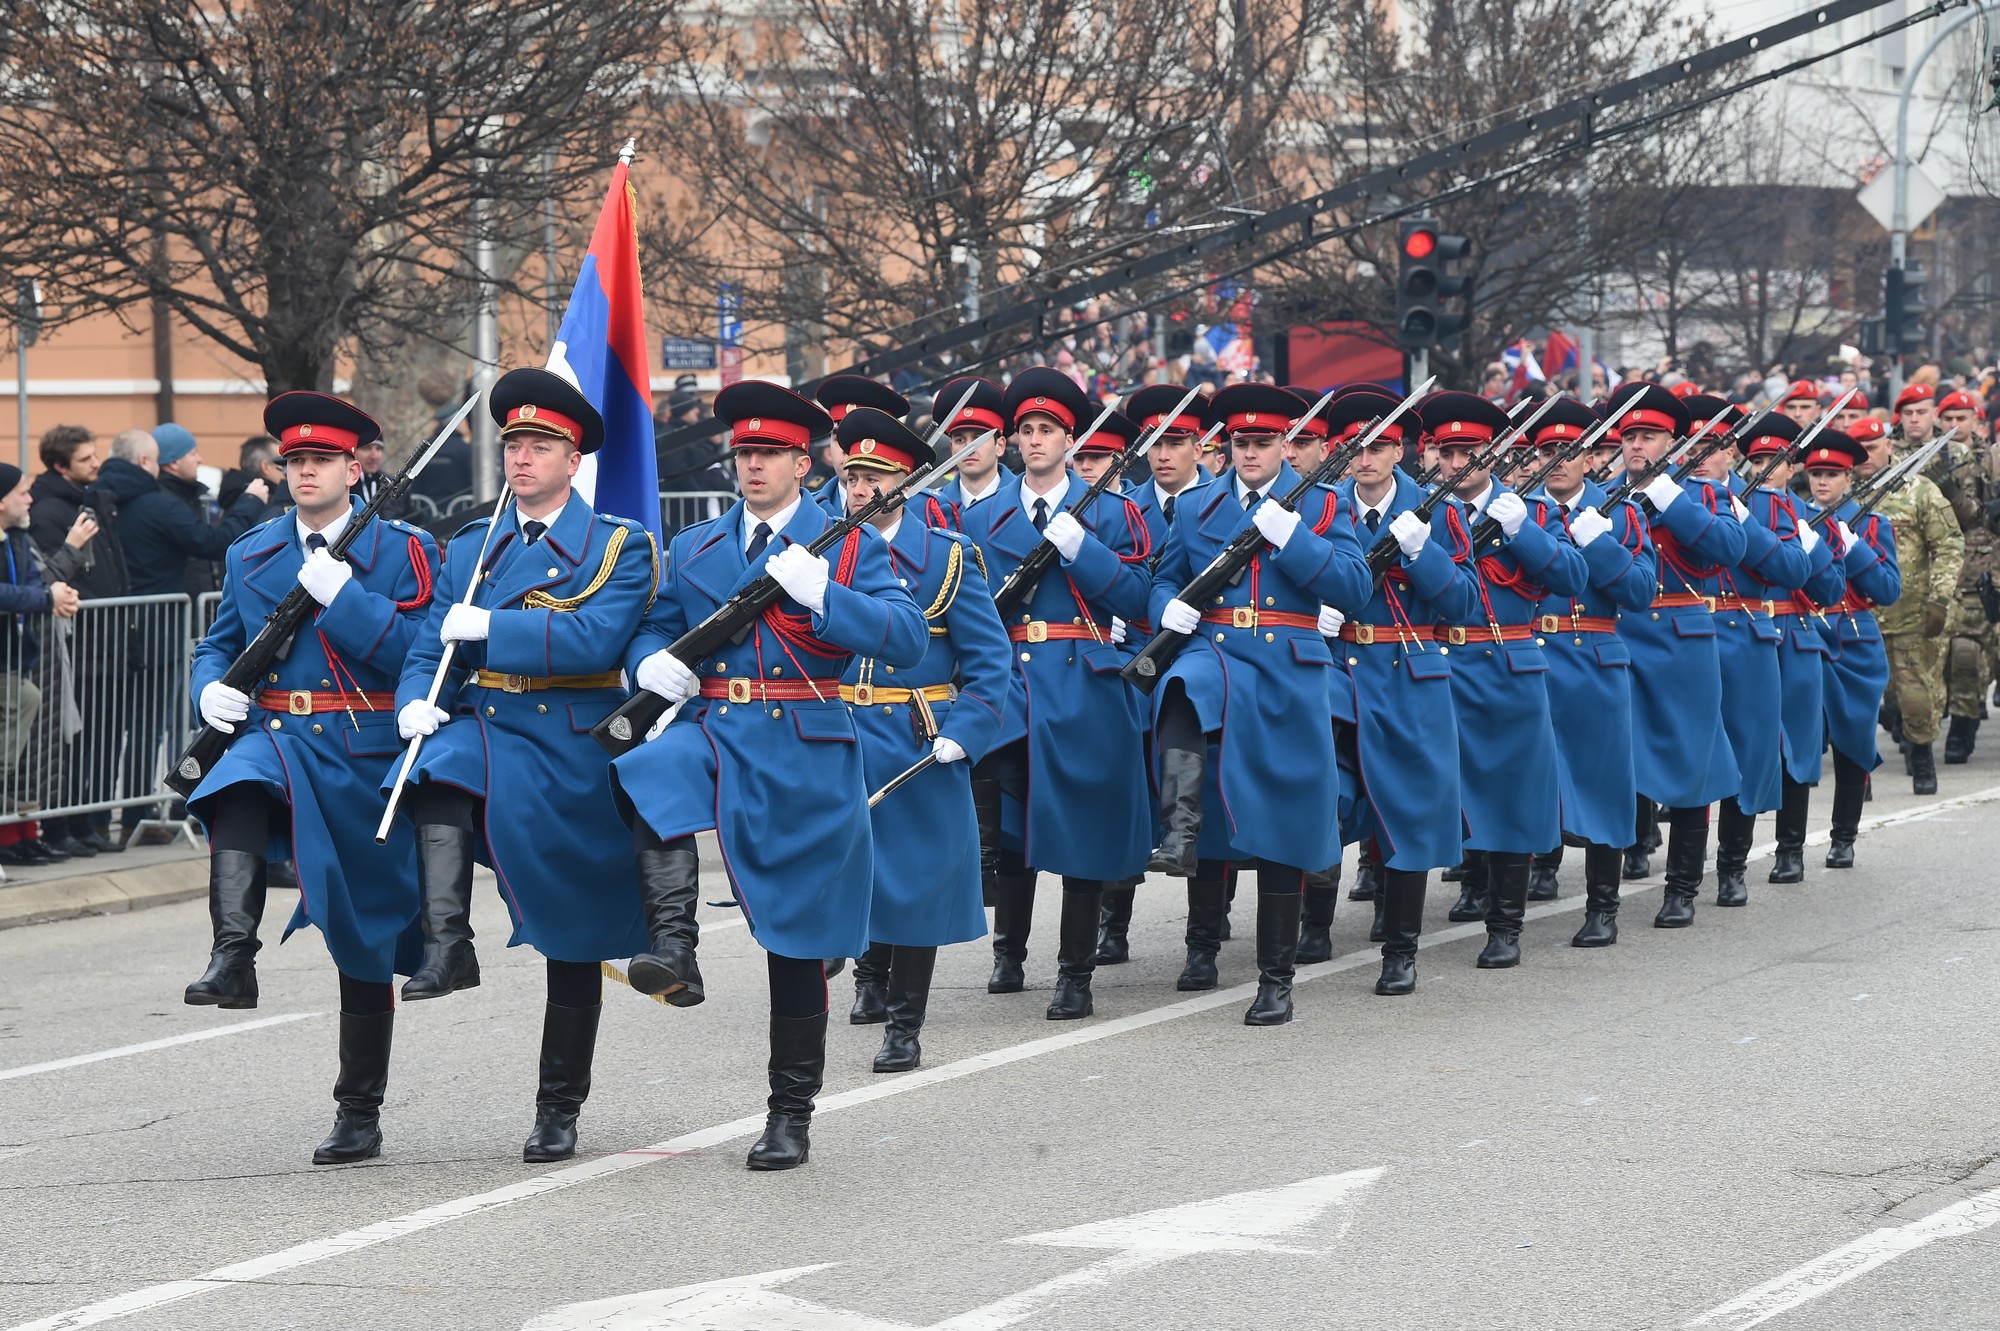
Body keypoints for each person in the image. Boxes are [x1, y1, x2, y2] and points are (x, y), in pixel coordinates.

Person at [609, 381, 925, 1169]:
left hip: (807, 743)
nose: (751, 466)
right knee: (649, 769)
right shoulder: (699, 547)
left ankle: (791, 1110)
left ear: (801, 461)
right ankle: (674, 947)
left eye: (767, 454)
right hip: (718, 726)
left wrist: (828, 597)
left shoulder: (849, 543)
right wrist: (648, 659)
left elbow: (906, 637)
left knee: (797, 942)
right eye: (743, 453)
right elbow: (661, 618)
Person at [391, 368, 657, 1164]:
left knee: (573, 940)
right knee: (432, 768)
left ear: (574, 460)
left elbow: (595, 641)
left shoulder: (618, 543)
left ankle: (558, 1105)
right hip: (490, 721)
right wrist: (415, 697)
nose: (522, 458)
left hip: (570, 736)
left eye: (540, 445)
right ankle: (449, 942)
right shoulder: (475, 545)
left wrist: (491, 629)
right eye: (513, 444)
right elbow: (426, 643)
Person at [186, 393, 439, 1164]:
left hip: (361, 750)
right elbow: (222, 640)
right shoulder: (254, 552)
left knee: (364, 942)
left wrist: (347, 601)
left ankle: (358, 1110)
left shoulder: (409, 551)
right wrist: (208, 687)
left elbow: (415, 657)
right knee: (231, 782)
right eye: (294, 461)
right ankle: (233, 954)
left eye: (321, 461)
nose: (305, 472)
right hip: (280, 735)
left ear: (355, 467)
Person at [1146, 383, 1369, 1022]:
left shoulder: (1324, 506)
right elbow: (1164, 575)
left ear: (1283, 446)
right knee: (1180, 685)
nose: (1250, 453)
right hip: (1216, 650)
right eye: (1240, 442)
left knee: (1284, 822)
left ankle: (1277, 979)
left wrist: (1295, 538)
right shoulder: (1196, 507)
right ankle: (1180, 826)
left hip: (1289, 669)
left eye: (1263, 442)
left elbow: (1354, 586)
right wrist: (1168, 607)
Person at [957, 367, 1153, 1019]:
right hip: (1012, 680)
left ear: (1071, 439)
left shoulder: (1114, 513)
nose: (1035, 441)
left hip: (1083, 680)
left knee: (1080, 831)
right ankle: (1008, 952)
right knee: (1013, 828)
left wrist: (1083, 549)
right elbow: (972, 609)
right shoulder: (982, 516)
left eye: (1048, 430)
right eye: (1026, 431)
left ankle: (1075, 972)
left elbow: (1138, 599)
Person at [827, 408, 1011, 1070]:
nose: (859, 490)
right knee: (853, 864)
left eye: (873, 477)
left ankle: (904, 1023)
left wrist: (967, 732)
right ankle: (864, 974)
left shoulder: (948, 557)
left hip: (918, 736)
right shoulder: (826, 553)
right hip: (843, 733)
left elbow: (992, 666)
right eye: (851, 477)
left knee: (917, 882)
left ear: (905, 482)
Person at [1421, 392, 1587, 967]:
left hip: (1510, 664)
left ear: (1492, 452)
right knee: (1451, 788)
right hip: (1441, 665)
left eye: (1469, 450)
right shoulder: (1423, 515)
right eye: (1448, 452)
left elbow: (1571, 575)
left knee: (1513, 793)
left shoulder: (1534, 511)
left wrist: (1523, 532)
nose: (1458, 462)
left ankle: (1506, 926)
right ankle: (1468, 885)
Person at [1330, 388, 1476, 995]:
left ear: (1401, 451)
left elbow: (1463, 602)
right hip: (1338, 667)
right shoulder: (1323, 506)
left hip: (1408, 666)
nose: (1366, 457)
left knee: (1409, 812)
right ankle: (1313, 924)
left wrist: (1421, 552)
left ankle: (1401, 946)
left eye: (1380, 445)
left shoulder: (1437, 509)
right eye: (1355, 447)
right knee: (1329, 799)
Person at [1606, 383, 1746, 926]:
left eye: (1650, 436)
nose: (1637, 445)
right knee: (1620, 757)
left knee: (1693, 760)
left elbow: (1730, 550)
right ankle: (1616, 876)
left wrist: (1672, 500)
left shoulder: (1703, 495)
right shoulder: (1606, 496)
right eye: (1631, 436)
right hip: (1621, 634)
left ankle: (1682, 886)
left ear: (1675, 443)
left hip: (1683, 640)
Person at [1526, 400, 1656, 945]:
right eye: (1547, 452)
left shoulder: (1621, 512)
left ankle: (1602, 905)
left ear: (1590, 458)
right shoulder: (1518, 512)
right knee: (1527, 777)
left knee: (1604, 782)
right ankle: (1511, 889)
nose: (1557, 461)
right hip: (1531, 656)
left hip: (1595, 655)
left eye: (1569, 452)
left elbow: (1640, 592)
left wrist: (1596, 541)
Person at [1096, 384, 1216, 965]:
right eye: (1154, 443)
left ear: (1201, 445)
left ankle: (1202, 941)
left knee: (1199, 805)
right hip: (1135, 660)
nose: (1163, 454)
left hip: (1207, 663)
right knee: (1126, 793)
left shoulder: (1223, 502)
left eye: (1176, 441)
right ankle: (1111, 922)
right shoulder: (1124, 506)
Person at [1712, 413, 1839, 899]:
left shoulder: (1806, 515)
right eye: (1759, 459)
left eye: (1776, 460)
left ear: (1794, 466)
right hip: (1749, 631)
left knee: (1799, 749)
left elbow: (1828, 588)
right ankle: (1732, 863)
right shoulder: (1735, 503)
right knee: (1745, 745)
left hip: (1797, 634)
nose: (1767, 468)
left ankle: (1790, 848)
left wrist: (1816, 546)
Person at [26, 425, 129, 856]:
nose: (96, 463)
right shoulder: (48, 511)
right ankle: (59, 825)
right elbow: (48, 578)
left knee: (95, 739)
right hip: (76, 643)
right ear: (60, 465)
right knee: (68, 741)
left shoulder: (90, 500)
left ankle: (85, 821)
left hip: (104, 637)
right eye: (86, 458)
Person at [1801, 430, 1900, 869]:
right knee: (1801, 740)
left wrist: (1854, 545)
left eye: (1832, 474)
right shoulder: (1793, 520)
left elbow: (1887, 589)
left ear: (1848, 477)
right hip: (1805, 629)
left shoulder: (1873, 524)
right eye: (1816, 473)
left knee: (1853, 742)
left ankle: (1844, 837)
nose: (1823, 482)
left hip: (1855, 638)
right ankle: (1789, 847)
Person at [1866, 415, 1961, 794]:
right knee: (1866, 703)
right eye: (1860, 450)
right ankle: (1861, 771)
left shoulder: (1919, 491)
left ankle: (1922, 759)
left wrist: (1939, 597)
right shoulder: (1846, 494)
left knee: (1916, 695)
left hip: (1911, 613)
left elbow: (1949, 544)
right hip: (1861, 616)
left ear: (1889, 446)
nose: (1866, 456)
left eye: (1873, 447)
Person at [98, 424, 268, 598]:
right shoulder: (162, 504)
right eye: (192, 453)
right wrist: (250, 501)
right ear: (172, 462)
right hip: (163, 611)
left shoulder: (107, 497)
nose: (199, 459)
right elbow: (213, 543)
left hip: (137, 610)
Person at [1933, 388, 1998, 762]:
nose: (1955, 426)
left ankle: (1962, 724)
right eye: (1949, 419)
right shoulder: (1930, 455)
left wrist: (1953, 494)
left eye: (1962, 419)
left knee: (1967, 654)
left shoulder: (1987, 458)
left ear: (1976, 420)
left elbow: (1982, 516)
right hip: (1934, 565)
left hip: (1976, 566)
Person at [932, 377, 1014, 513]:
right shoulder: (934, 506)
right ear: (951, 448)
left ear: (1000, 446)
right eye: (960, 440)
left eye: (979, 439)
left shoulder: (1025, 498)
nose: (968, 449)